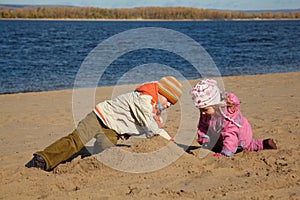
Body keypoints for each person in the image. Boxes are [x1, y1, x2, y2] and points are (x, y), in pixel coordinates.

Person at [25, 76, 183, 171]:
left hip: (113, 130)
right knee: (76, 140)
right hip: (99, 117)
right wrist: (170, 142)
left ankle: (77, 157)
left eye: (172, 104)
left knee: (104, 151)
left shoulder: (155, 108)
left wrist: (170, 142)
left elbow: (158, 125)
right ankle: (42, 160)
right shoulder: (145, 99)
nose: (169, 105)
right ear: (161, 92)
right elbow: (152, 127)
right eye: (169, 100)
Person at [190, 79, 277, 157]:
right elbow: (202, 125)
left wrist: (226, 152)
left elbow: (230, 134)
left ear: (215, 104)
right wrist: (203, 136)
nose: (202, 112)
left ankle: (261, 144)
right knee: (216, 143)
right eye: (200, 110)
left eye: (205, 109)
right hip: (219, 136)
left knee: (247, 145)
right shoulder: (207, 112)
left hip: (240, 137)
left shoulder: (228, 115)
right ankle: (264, 143)